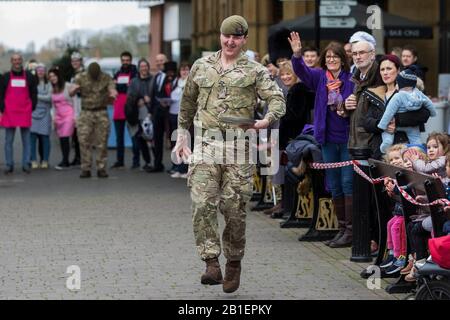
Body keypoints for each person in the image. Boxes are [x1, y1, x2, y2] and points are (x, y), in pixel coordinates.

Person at [174, 15, 285, 293]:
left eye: (236, 37)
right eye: (226, 36)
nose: (230, 41)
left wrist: (265, 120)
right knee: (202, 203)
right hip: (206, 145)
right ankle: (211, 262)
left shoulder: (255, 71)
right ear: (220, 37)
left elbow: (277, 99)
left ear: (244, 39)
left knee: (234, 210)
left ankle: (233, 262)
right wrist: (182, 134)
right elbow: (187, 102)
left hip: (239, 147)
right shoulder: (202, 66)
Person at [289, 32, 354, 247]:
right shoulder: (319, 77)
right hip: (326, 138)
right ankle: (341, 228)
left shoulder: (350, 79)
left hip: (346, 138)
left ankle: (351, 231)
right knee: (334, 184)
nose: (332, 60)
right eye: (328, 57)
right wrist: (297, 54)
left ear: (342, 60)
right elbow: (300, 70)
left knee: (347, 183)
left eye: (336, 57)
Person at [70, 62, 117, 178]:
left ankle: (101, 168)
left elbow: (112, 89)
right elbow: (71, 92)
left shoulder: (106, 77)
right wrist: (74, 90)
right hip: (86, 112)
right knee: (84, 140)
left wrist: (112, 93)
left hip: (101, 111)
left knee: (102, 141)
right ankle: (85, 168)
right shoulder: (80, 77)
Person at [377, 69, 436, 153]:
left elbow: (389, 112)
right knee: (416, 139)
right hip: (412, 127)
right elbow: (429, 103)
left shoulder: (398, 96)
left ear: (400, 84)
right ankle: (419, 149)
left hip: (395, 126)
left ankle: (386, 143)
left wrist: (382, 125)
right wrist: (433, 113)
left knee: (388, 134)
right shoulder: (419, 94)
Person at [0, 53, 37, 174]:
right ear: (11, 61)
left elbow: (33, 93)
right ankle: (9, 164)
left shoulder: (30, 76)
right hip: (9, 112)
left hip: (24, 111)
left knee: (26, 140)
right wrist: (2, 108)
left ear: (22, 61)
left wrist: (32, 107)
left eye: (19, 60)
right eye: (14, 60)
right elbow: (0, 94)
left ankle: (26, 163)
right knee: (8, 141)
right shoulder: (5, 77)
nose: (17, 62)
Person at [380, 144, 408, 274]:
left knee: (396, 227)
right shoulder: (395, 175)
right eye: (391, 160)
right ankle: (391, 253)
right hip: (399, 211)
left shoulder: (408, 173)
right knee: (390, 223)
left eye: (397, 158)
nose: (395, 161)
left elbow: (407, 192)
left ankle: (400, 257)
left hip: (406, 213)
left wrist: (395, 189)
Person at [111, 51, 138, 169]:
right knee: (119, 136)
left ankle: (136, 161)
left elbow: (132, 87)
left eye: (127, 60)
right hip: (118, 107)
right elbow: (113, 86)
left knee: (134, 135)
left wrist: (119, 86)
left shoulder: (135, 72)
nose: (125, 62)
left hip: (131, 107)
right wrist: (120, 86)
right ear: (121, 61)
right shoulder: (117, 73)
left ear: (131, 60)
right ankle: (120, 161)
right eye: (123, 60)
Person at [126, 58, 153, 170]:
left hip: (151, 112)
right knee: (140, 139)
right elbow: (130, 96)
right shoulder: (134, 81)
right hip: (137, 113)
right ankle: (146, 162)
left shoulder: (153, 79)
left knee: (152, 139)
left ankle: (156, 162)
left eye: (145, 66)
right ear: (139, 68)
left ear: (148, 67)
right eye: (142, 66)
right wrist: (139, 98)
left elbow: (157, 93)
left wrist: (149, 99)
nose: (144, 68)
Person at [48, 67, 76, 170]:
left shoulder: (68, 86)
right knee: (61, 139)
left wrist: (75, 116)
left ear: (58, 76)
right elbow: (53, 105)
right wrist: (54, 118)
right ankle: (66, 160)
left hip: (69, 114)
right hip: (58, 116)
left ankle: (65, 161)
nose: (52, 78)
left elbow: (75, 101)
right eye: (50, 76)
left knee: (65, 138)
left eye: (54, 76)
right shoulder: (52, 89)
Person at [168, 62, 190, 178]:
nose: (184, 72)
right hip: (173, 114)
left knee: (185, 143)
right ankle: (177, 167)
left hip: (185, 117)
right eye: (182, 70)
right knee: (175, 142)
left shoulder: (191, 83)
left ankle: (185, 169)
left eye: (186, 69)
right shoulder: (175, 82)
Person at [148, 53, 169, 173]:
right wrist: (151, 112)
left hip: (168, 112)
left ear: (166, 61)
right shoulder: (156, 77)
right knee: (157, 139)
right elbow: (153, 95)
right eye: (157, 61)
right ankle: (157, 164)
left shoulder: (172, 76)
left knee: (172, 139)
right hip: (156, 113)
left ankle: (176, 166)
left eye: (162, 60)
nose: (159, 63)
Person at [30, 64, 52, 170]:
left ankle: (45, 160)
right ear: (36, 72)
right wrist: (39, 96)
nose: (40, 72)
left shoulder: (49, 84)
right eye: (38, 70)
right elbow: (28, 96)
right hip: (32, 113)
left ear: (45, 72)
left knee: (45, 138)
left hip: (45, 114)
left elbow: (49, 98)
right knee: (32, 138)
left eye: (42, 70)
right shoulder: (32, 83)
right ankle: (33, 160)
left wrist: (36, 95)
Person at [69, 51, 84, 166]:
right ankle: (77, 157)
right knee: (75, 134)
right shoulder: (73, 75)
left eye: (77, 60)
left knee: (81, 134)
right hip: (74, 106)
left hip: (82, 106)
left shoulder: (84, 74)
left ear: (81, 61)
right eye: (73, 61)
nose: (75, 62)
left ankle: (82, 158)